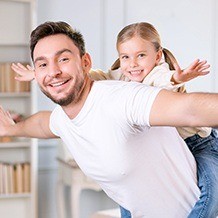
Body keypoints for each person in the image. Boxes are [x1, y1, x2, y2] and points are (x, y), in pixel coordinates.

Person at [1, 21, 218, 217]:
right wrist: (12, 129)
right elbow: (44, 124)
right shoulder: (64, 116)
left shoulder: (122, 97)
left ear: (85, 62)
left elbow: (191, 108)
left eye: (63, 59)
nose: (54, 71)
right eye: (43, 65)